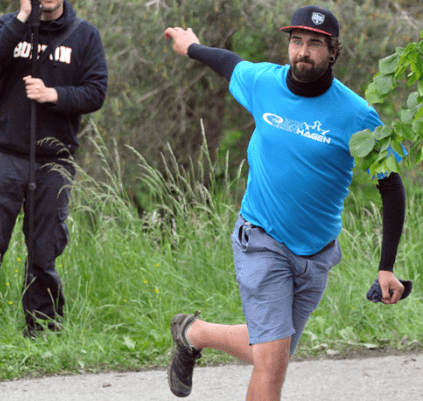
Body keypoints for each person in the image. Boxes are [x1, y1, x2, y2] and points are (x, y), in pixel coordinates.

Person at [164, 5, 406, 400]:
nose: (303, 52)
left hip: (316, 254)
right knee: (273, 364)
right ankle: (194, 333)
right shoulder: (264, 82)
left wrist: (386, 266)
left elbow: (391, 185)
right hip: (261, 238)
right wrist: (192, 46)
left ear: (333, 52)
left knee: (271, 351)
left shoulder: (357, 115)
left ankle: (193, 332)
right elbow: (229, 63)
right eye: (296, 42)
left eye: (314, 43)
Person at [0, 0, 108, 336]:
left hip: (54, 158)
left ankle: (43, 331)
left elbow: (96, 92)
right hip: (3, 152)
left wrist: (53, 94)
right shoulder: (11, 24)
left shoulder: (85, 35)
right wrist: (23, 16)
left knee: (44, 251)